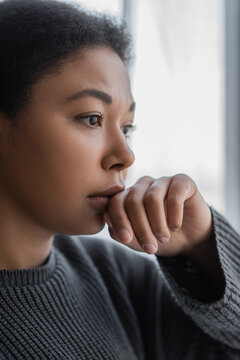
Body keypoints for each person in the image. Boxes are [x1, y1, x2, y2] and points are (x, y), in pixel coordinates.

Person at [0, 0, 239, 359]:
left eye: (126, 127)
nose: (126, 156)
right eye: (92, 119)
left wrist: (203, 248)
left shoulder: (114, 276)